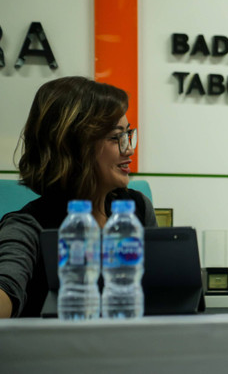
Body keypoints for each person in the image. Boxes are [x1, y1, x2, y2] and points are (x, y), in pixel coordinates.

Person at [0, 76, 157, 318]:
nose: (129, 149)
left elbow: (164, 295)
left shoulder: (136, 208)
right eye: (116, 137)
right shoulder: (26, 227)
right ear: (74, 145)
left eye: (128, 134)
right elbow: (6, 290)